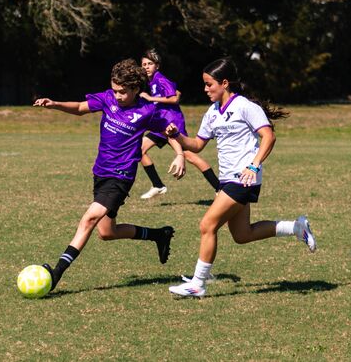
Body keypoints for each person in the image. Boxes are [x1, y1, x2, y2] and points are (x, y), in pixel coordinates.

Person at [165, 58, 316, 298]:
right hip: (227, 179)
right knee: (242, 235)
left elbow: (268, 137)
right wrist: (178, 136)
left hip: (244, 179)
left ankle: (198, 283)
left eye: (209, 84)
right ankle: (296, 228)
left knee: (207, 225)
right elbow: (197, 144)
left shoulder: (245, 106)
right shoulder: (212, 113)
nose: (205, 89)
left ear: (224, 83)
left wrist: (254, 166)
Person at [32, 59, 186, 293]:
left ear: (136, 89)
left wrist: (179, 155)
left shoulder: (147, 111)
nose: (118, 96)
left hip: (121, 176)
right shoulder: (107, 99)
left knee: (88, 220)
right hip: (101, 172)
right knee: (107, 233)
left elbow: (170, 131)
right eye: (115, 90)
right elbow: (80, 108)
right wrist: (55, 104)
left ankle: (56, 274)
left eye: (123, 92)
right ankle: (159, 235)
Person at [137, 49, 221, 199]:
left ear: (157, 65)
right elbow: (176, 92)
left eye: (150, 64)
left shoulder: (160, 79)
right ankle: (158, 185)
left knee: (191, 157)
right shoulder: (151, 81)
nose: (146, 67)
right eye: (144, 64)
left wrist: (150, 98)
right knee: (139, 150)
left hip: (172, 124)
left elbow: (174, 98)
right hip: (160, 125)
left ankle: (219, 188)